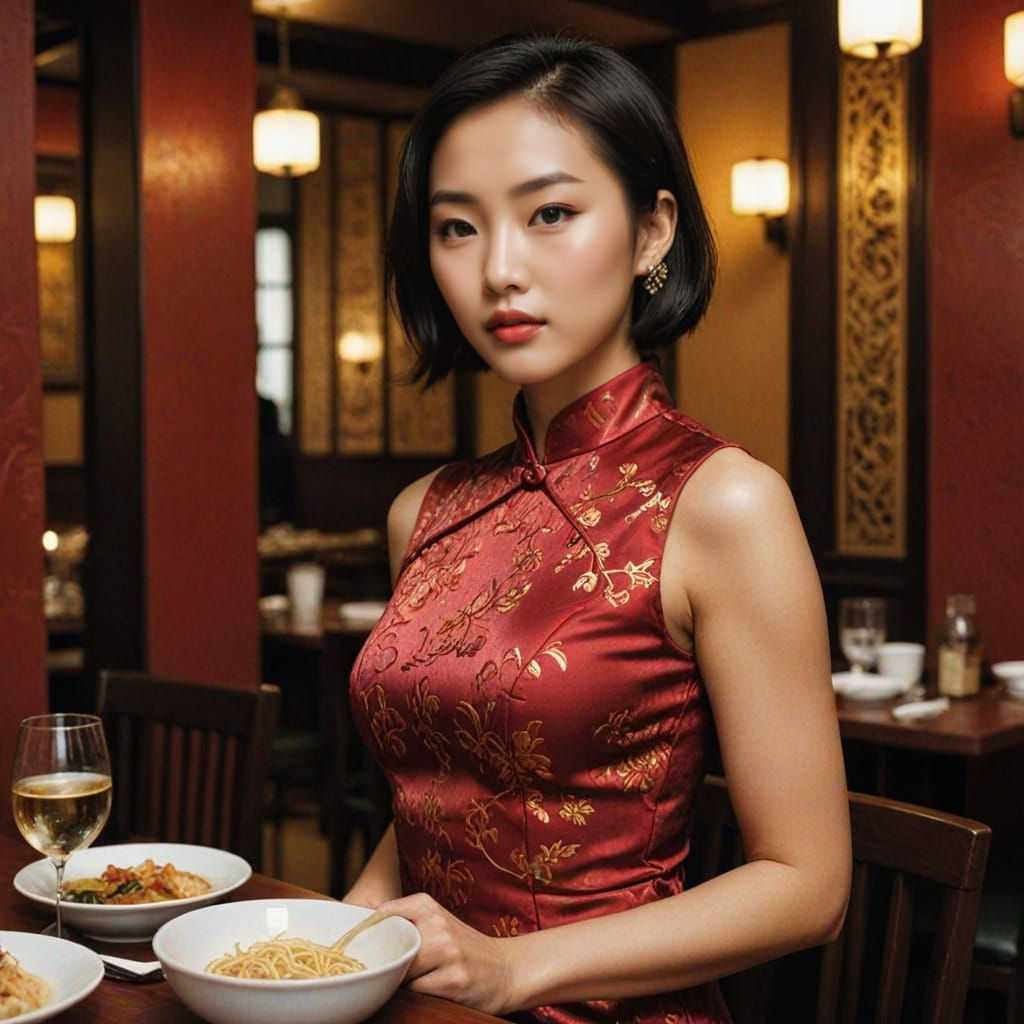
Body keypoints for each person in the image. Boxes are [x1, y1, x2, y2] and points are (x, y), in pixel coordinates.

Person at [345, 34, 850, 1023]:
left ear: (653, 231)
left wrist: (515, 968)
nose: (499, 268)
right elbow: (436, 795)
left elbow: (807, 885)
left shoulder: (721, 502)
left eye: (551, 214)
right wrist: (336, 943)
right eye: (456, 228)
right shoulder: (424, 509)